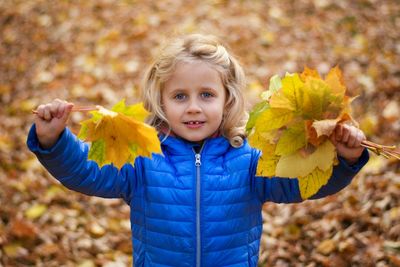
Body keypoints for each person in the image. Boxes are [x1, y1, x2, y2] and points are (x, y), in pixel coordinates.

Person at [27, 34, 369, 267]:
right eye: (180, 96)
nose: (193, 108)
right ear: (161, 101)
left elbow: (302, 182)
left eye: (206, 95)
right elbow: (88, 171)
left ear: (227, 99)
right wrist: (55, 141)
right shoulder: (143, 157)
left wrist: (346, 160)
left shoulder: (248, 159)